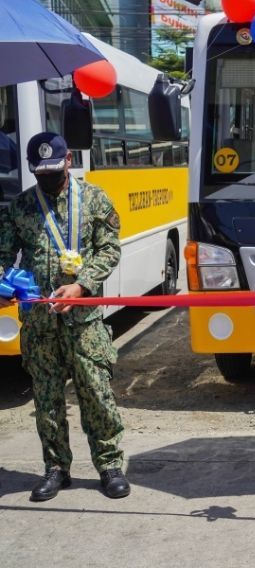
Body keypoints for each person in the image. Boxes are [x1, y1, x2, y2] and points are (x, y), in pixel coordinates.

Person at [0, 132, 129, 501]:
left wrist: (83, 285)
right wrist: (4, 284)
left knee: (97, 394)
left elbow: (109, 249)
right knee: (47, 399)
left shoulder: (93, 198)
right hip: (40, 326)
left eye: (54, 170)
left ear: (68, 161)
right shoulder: (22, 207)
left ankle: (109, 465)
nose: (48, 178)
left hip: (85, 323)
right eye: (40, 173)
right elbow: (3, 253)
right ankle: (56, 468)